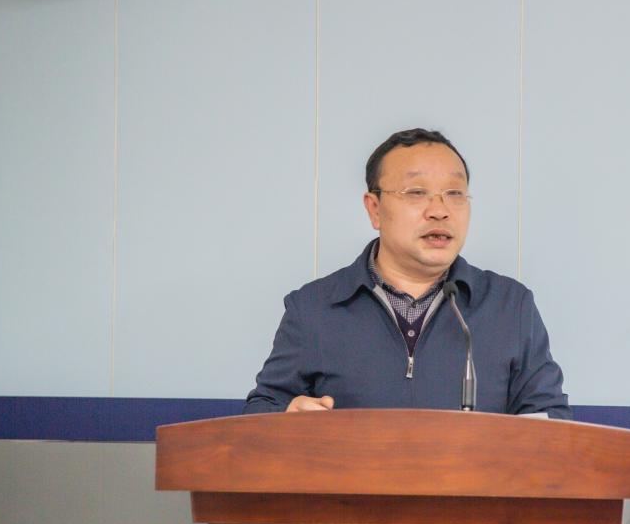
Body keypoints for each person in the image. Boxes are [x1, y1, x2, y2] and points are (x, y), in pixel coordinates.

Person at [243, 128, 571, 419]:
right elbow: (261, 410)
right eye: (416, 192)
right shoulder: (314, 308)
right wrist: (285, 416)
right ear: (374, 208)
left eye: (455, 193)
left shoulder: (509, 306)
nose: (440, 210)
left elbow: (550, 419)